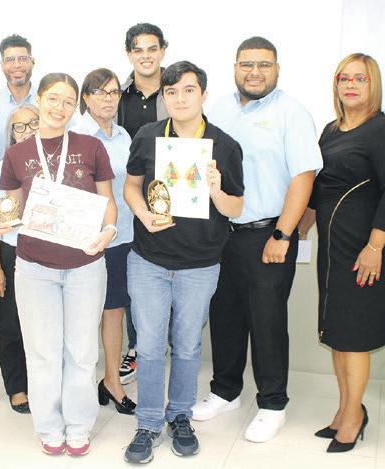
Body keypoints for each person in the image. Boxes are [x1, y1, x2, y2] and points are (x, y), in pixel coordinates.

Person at [193, 36, 322, 443]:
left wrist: (283, 234)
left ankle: (272, 404)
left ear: (277, 69)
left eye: (264, 64)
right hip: (222, 234)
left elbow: (303, 178)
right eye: (246, 64)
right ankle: (225, 391)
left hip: (269, 233)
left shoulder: (292, 113)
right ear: (234, 68)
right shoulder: (219, 110)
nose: (254, 72)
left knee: (267, 322)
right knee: (225, 316)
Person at [0, 73, 117, 456]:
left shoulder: (91, 147)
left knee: (81, 352)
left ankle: (78, 425)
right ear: (39, 100)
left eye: (68, 101)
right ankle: (48, 426)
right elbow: (10, 208)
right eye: (53, 98)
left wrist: (109, 230)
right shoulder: (17, 154)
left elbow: (107, 200)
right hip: (34, 267)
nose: (60, 107)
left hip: (85, 264)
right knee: (43, 352)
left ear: (75, 107)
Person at [122, 61, 245, 464]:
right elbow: (132, 186)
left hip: (200, 264)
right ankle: (148, 423)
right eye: (171, 92)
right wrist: (143, 215)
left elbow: (236, 207)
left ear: (203, 95)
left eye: (189, 90)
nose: (179, 99)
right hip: (148, 260)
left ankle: (180, 417)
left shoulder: (224, 146)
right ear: (164, 97)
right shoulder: (148, 136)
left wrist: (216, 190)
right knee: (149, 345)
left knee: (188, 345)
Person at [299, 53, 385, 452]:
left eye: (360, 79)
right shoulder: (331, 130)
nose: (350, 85)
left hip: (369, 249)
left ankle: (352, 418)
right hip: (335, 249)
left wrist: (375, 246)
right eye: (344, 78)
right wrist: (298, 228)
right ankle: (347, 409)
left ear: (373, 84)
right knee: (337, 334)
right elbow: (320, 187)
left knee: (355, 337)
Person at [73, 68, 136, 415]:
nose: (108, 99)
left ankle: (112, 380)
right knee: (83, 315)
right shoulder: (74, 134)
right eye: (100, 92)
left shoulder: (124, 136)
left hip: (122, 236)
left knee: (114, 310)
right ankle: (77, 387)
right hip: (86, 240)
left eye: (113, 92)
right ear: (86, 98)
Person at [116, 22, 170, 385]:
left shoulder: (178, 90)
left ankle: (172, 345)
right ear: (129, 54)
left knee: (174, 276)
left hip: (172, 201)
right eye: (138, 49)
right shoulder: (117, 96)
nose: (145, 56)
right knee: (136, 280)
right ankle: (138, 347)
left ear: (163, 51)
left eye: (152, 48)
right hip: (129, 202)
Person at [0, 103, 39, 414]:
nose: (28, 131)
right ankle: (17, 387)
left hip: (48, 253)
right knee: (13, 323)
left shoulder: (55, 167)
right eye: (20, 126)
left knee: (43, 324)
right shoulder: (0, 169)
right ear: (11, 134)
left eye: (34, 123)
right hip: (12, 252)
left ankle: (41, 384)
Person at [0, 34, 37, 158]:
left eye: (23, 59)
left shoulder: (48, 100)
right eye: (10, 60)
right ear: (2, 65)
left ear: (32, 62)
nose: (17, 65)